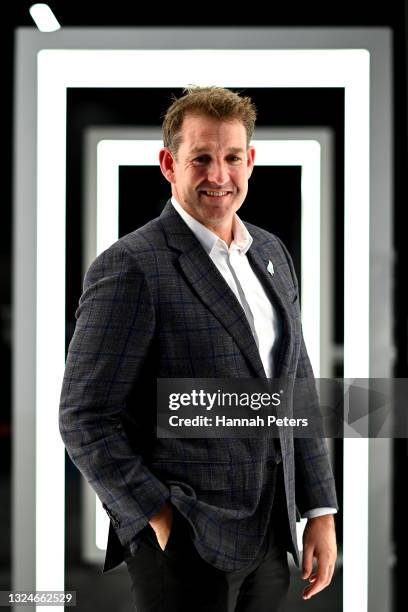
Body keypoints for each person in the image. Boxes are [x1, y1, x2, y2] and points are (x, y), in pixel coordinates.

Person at [59, 86, 338, 612]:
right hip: (184, 542)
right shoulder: (132, 266)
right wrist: (159, 518)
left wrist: (319, 508)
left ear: (250, 161)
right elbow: (84, 417)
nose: (219, 175)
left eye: (232, 157)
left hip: (269, 534)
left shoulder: (272, 252)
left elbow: (293, 386)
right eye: (201, 158)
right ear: (169, 163)